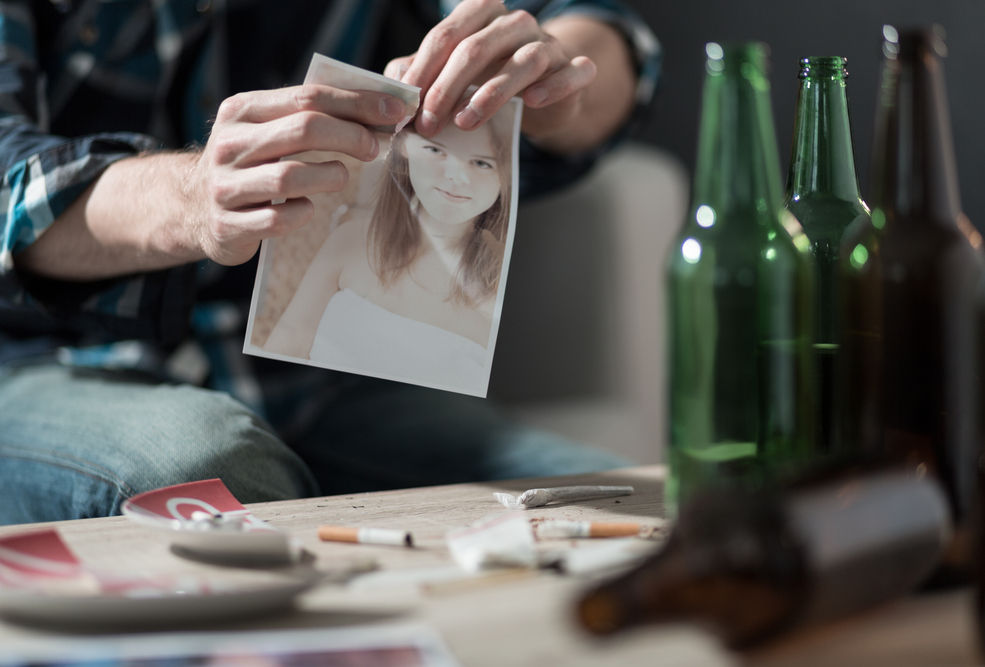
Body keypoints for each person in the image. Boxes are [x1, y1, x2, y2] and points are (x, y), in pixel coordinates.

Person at [0, 0, 661, 525]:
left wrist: (554, 83)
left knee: (633, 511)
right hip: (39, 364)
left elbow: (605, 37)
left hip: (318, 383)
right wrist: (194, 196)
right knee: (210, 465)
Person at [262, 103, 516, 393]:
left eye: (482, 163)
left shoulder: (502, 288)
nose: (456, 177)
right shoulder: (351, 240)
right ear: (405, 147)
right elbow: (287, 343)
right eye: (437, 150)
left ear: (506, 177)